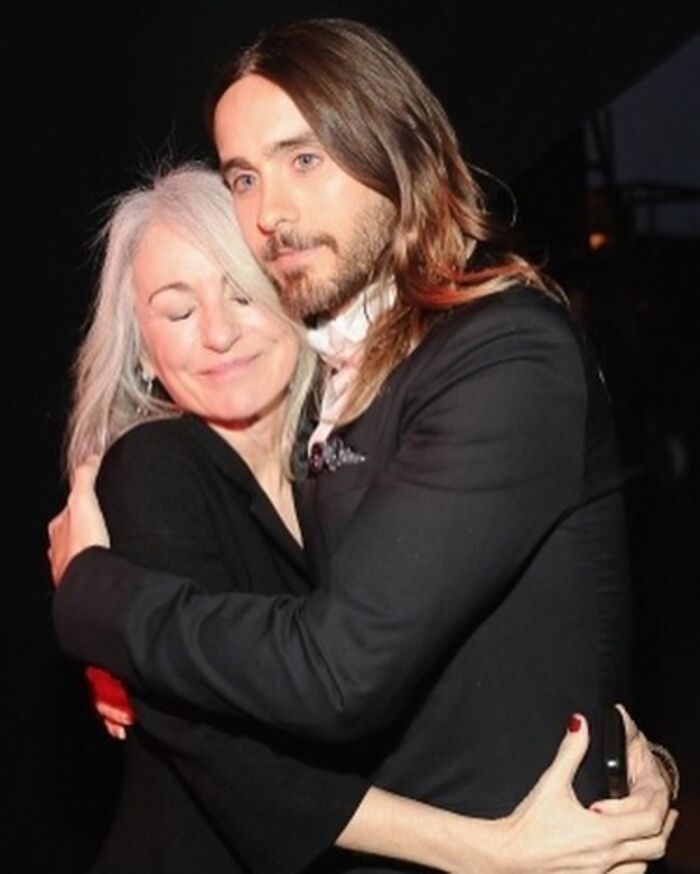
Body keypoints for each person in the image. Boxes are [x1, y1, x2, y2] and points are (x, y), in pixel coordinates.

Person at [50, 18, 678, 873]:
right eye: (244, 175)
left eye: (303, 158)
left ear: (395, 146)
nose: (271, 211)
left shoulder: (491, 354)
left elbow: (342, 671)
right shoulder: (258, 430)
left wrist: (94, 595)